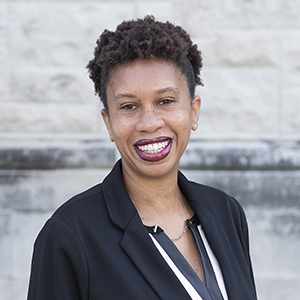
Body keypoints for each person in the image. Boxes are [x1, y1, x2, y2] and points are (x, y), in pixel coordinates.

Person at [27, 16, 257, 300]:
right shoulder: (70, 234)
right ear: (108, 122)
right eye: (128, 106)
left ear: (194, 111)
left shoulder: (226, 213)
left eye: (165, 101)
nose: (149, 123)